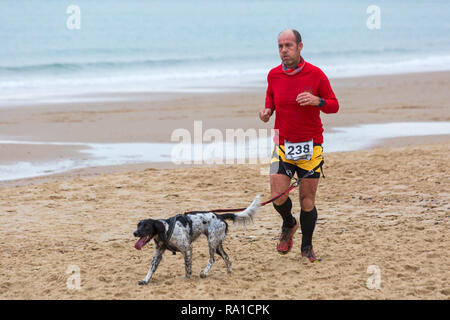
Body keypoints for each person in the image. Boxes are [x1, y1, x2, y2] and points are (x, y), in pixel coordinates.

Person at [259, 29, 339, 262]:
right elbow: (270, 101)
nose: (284, 50)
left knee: (307, 201)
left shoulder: (316, 74)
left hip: (311, 146)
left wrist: (317, 101)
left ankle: (306, 246)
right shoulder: (273, 75)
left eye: (288, 46)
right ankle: (288, 224)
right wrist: (266, 112)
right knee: (277, 196)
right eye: (280, 46)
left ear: (300, 47)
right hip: (282, 144)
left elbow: (334, 105)